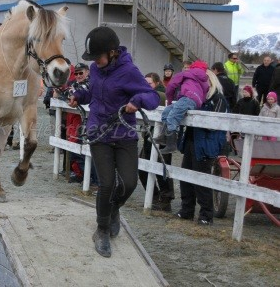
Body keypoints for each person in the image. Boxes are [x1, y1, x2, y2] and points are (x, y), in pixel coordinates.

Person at [68, 26, 160, 257]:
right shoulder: (95, 69)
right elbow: (93, 93)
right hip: (99, 132)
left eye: (98, 56)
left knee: (129, 183)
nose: (95, 62)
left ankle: (113, 209)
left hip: (123, 134)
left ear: (112, 53)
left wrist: (137, 101)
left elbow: (153, 96)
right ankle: (102, 229)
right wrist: (79, 96)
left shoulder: (129, 71)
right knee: (106, 183)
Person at [176, 70, 228, 225]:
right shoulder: (195, 98)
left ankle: (206, 215)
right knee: (185, 178)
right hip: (192, 142)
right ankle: (187, 210)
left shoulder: (218, 99)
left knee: (201, 181)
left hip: (206, 144)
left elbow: (214, 125)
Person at [153, 60, 210, 154]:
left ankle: (171, 145)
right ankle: (163, 136)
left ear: (192, 67)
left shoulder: (185, 73)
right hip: (194, 102)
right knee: (167, 111)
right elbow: (204, 94)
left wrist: (170, 100)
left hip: (187, 97)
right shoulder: (204, 80)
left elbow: (171, 86)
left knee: (172, 116)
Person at [139, 72, 174, 211]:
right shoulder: (148, 95)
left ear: (157, 83)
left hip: (162, 136)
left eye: (149, 84)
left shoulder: (160, 96)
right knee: (142, 167)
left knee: (162, 167)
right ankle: (154, 196)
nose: (147, 86)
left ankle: (166, 199)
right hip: (149, 134)